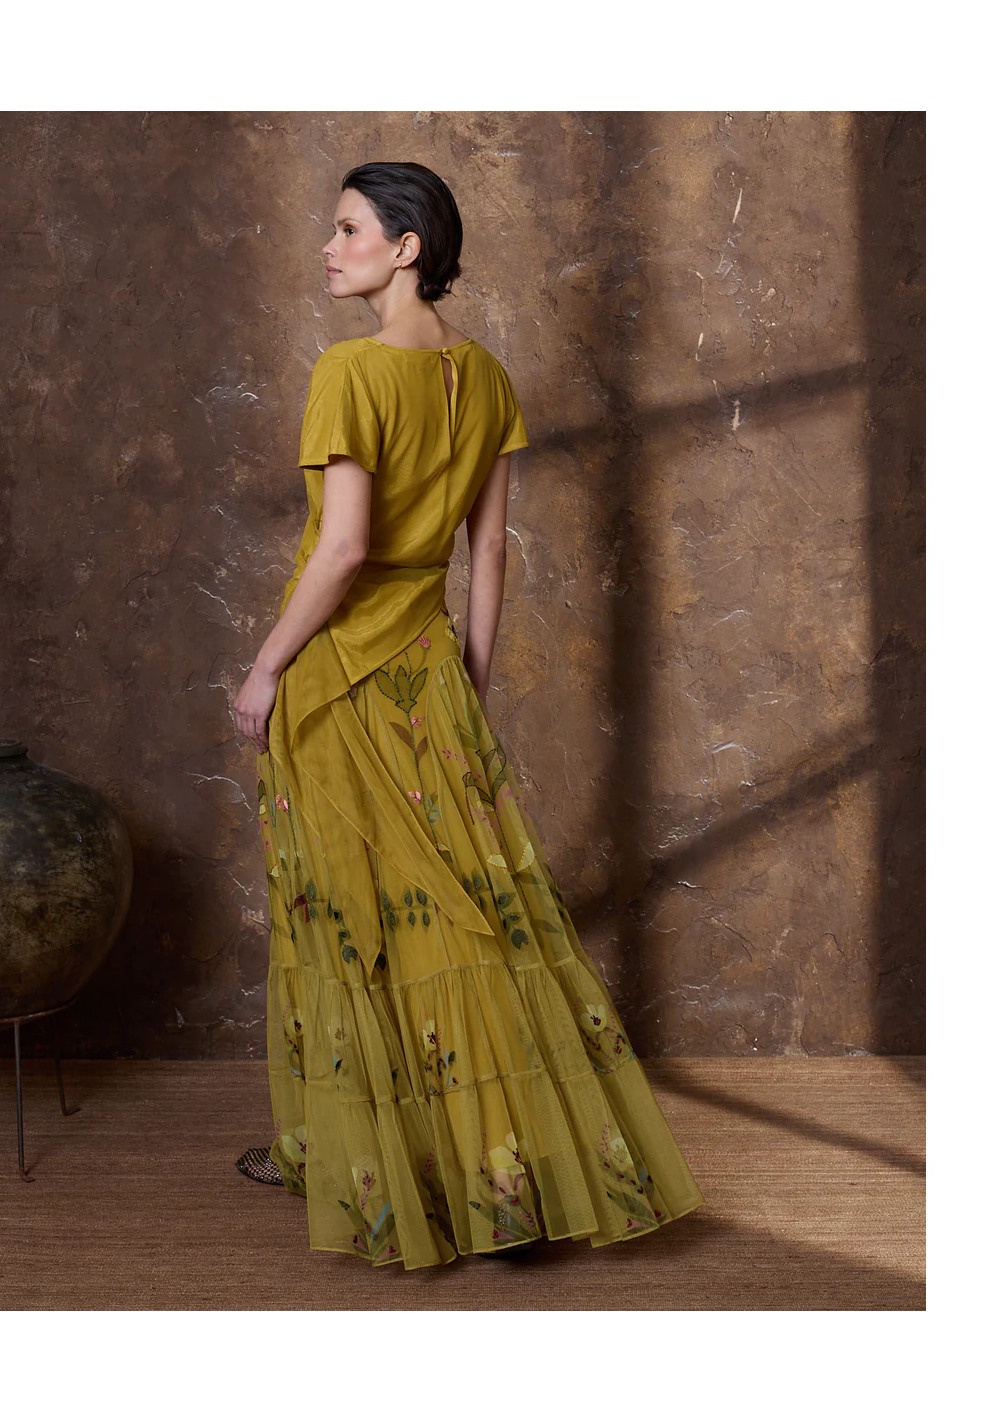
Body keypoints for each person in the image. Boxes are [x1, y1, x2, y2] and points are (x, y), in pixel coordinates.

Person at [231, 161, 705, 1269]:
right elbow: (488, 552)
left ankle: (372, 1162)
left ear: (406, 248)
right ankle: (501, 1174)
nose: (327, 248)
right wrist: (468, 682)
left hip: (338, 676)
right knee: (466, 904)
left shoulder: (349, 371)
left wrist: (263, 669)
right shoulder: (485, 375)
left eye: (347, 229)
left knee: (353, 914)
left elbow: (344, 549)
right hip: (430, 672)